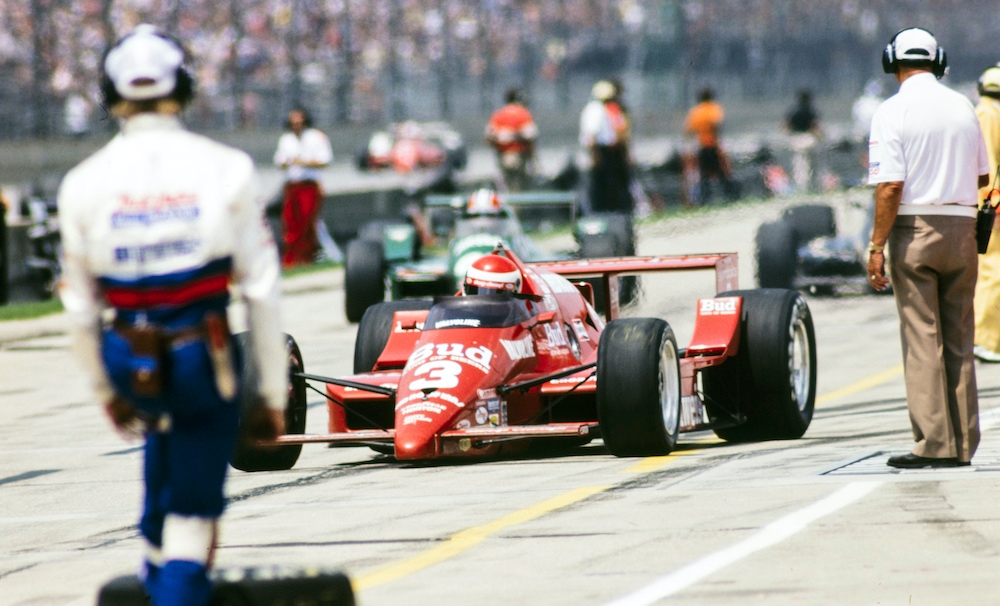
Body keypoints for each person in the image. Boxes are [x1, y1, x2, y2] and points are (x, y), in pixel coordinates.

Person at [58, 24, 287, 605]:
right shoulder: (227, 168)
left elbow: (79, 309)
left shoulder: (81, 183)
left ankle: (157, 565)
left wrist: (105, 390)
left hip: (125, 353)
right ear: (183, 89)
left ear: (110, 95)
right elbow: (261, 292)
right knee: (194, 514)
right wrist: (271, 397)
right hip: (197, 353)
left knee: (163, 449)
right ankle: (177, 584)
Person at [866, 27, 989, 469]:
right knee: (959, 337)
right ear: (938, 61)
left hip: (915, 228)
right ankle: (963, 442)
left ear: (892, 62)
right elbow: (981, 176)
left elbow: (890, 186)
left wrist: (876, 246)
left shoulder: (891, 111)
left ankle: (934, 443)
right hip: (963, 228)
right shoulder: (962, 106)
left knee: (922, 338)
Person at [273, 107, 332, 268]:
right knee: (290, 222)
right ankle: (290, 259)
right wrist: (288, 162)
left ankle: (306, 258)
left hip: (309, 185)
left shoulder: (316, 137)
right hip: (292, 185)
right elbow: (279, 160)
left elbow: (324, 160)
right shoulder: (286, 139)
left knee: (307, 223)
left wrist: (303, 162)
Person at [973, 65, 1000, 362]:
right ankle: (983, 339)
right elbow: (989, 166)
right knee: (994, 271)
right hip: (993, 207)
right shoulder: (989, 115)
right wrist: (994, 205)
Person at [579, 79, 632, 215]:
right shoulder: (596, 110)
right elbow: (592, 136)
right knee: (602, 184)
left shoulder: (600, 109)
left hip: (605, 150)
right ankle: (603, 211)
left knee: (607, 183)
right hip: (601, 150)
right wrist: (595, 155)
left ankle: (609, 210)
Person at [683, 87, 738, 204]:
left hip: (702, 147)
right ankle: (731, 195)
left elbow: (688, 131)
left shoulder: (695, 111)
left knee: (704, 175)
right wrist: (719, 142)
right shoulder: (714, 108)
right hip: (713, 145)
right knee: (723, 172)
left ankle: (704, 199)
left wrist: (689, 148)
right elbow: (716, 125)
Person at [485, 87, 538, 193]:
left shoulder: (498, 115)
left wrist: (503, 138)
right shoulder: (523, 114)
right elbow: (531, 135)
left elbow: (489, 136)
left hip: (503, 155)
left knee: (506, 187)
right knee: (520, 187)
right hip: (520, 155)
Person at [784, 88, 823, 193]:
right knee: (814, 165)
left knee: (800, 165)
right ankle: (815, 187)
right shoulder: (811, 111)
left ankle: (802, 188)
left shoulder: (792, 111)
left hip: (797, 139)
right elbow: (815, 127)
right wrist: (821, 138)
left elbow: (785, 127)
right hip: (809, 138)